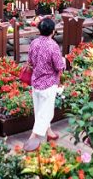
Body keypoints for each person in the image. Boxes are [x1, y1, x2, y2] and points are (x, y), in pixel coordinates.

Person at [24, 17, 65, 151]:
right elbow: (59, 66)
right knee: (46, 113)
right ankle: (32, 140)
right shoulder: (53, 46)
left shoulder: (34, 43)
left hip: (35, 81)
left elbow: (29, 60)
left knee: (40, 110)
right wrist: (65, 62)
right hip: (49, 83)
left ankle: (50, 133)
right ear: (53, 31)